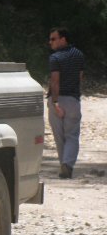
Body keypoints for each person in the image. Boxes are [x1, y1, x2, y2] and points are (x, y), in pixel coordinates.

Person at [47, 27, 85, 179]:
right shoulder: (79, 54)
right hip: (73, 100)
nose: (50, 42)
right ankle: (67, 165)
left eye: (53, 39)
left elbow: (55, 81)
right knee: (72, 135)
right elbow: (80, 77)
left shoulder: (55, 58)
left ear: (63, 39)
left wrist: (55, 103)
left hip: (57, 99)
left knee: (59, 136)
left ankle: (64, 164)